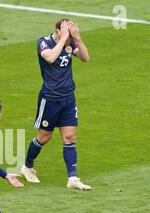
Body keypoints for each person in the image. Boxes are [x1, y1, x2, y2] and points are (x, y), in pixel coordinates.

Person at [21, 18, 91, 190]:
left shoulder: (71, 42)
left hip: (68, 98)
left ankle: (72, 179)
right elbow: (50, 58)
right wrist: (62, 40)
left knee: (69, 137)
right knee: (44, 137)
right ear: (58, 31)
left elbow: (85, 58)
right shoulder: (43, 42)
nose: (69, 39)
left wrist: (78, 38)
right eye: (66, 33)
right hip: (50, 98)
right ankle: (27, 167)